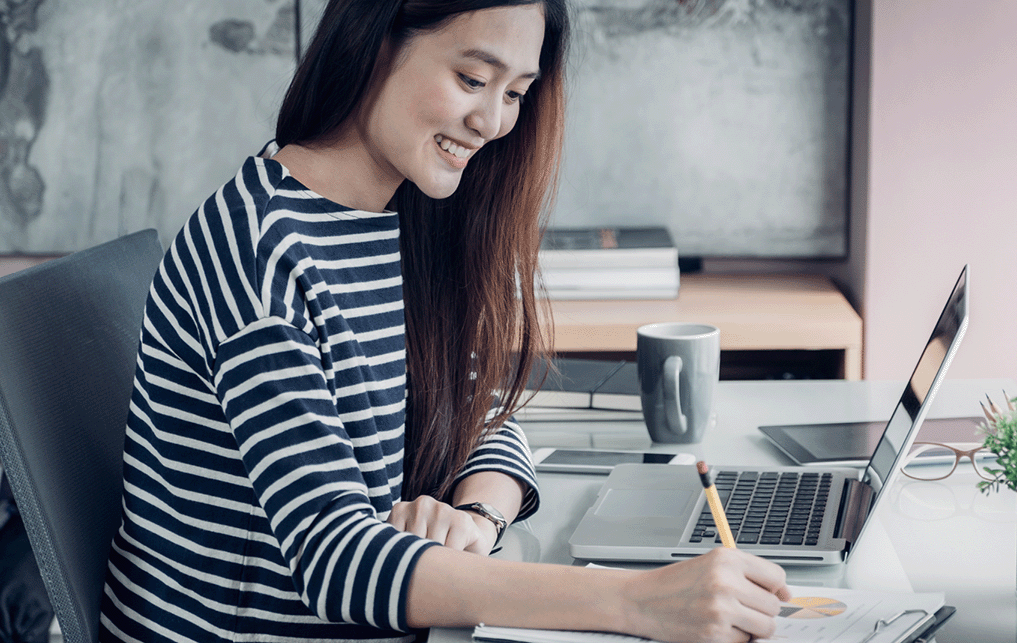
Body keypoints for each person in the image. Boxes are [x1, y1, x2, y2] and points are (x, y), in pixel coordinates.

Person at [99, 0, 792, 641]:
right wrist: (638, 601)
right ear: (373, 43)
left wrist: (476, 516)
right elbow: (336, 559)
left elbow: (483, 407)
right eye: (471, 78)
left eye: (515, 92)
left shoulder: (398, 219)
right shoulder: (257, 249)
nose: (492, 121)